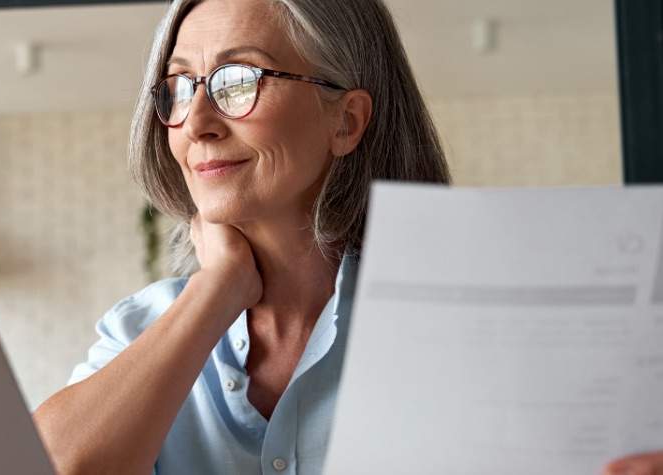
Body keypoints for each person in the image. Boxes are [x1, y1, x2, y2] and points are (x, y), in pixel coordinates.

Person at [33, 0, 663, 474]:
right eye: (179, 86)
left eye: (238, 82)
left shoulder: (466, 321)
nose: (195, 122)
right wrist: (216, 290)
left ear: (346, 119)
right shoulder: (142, 329)